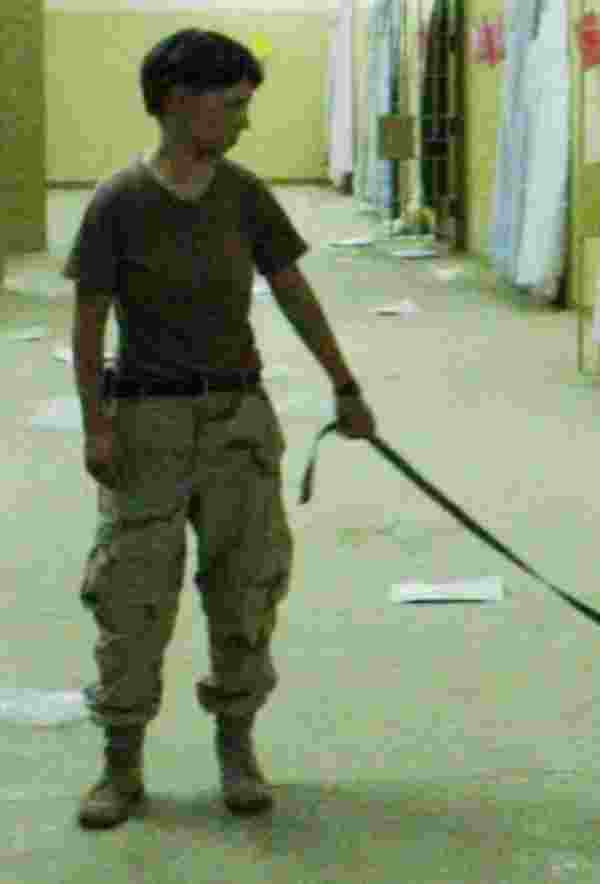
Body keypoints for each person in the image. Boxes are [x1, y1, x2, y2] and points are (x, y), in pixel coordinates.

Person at [63, 29, 376, 829]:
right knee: (132, 600)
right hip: (148, 419)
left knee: (245, 593)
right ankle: (120, 764)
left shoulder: (244, 194)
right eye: (231, 105)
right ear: (178, 102)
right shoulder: (117, 201)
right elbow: (90, 321)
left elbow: (294, 292)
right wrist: (96, 426)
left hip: (237, 417)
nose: (242, 122)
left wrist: (345, 384)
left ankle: (237, 747)